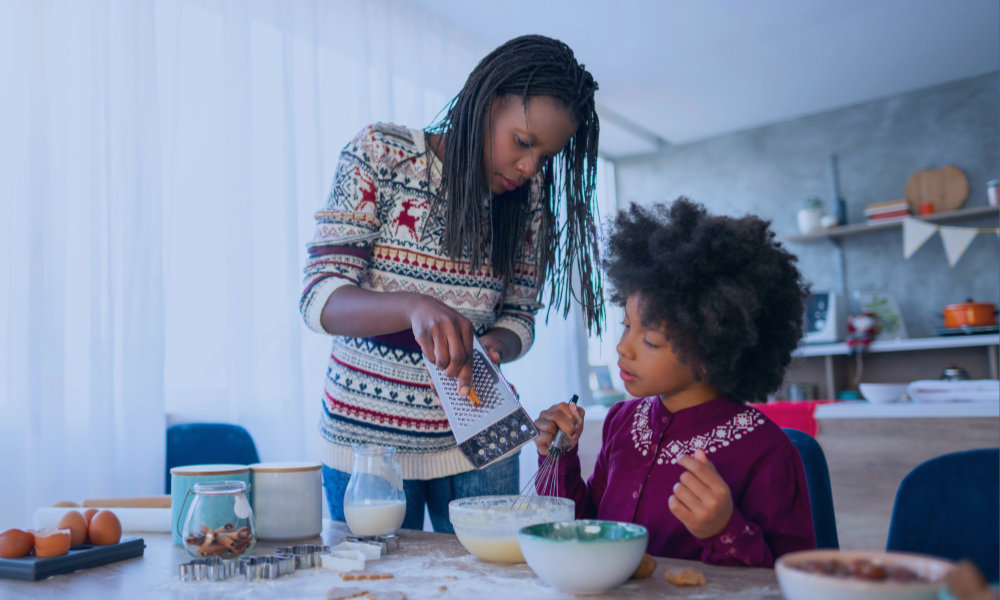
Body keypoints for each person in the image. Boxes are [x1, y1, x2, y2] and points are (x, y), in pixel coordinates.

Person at [300, 35, 603, 533]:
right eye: (524, 143)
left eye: (545, 157)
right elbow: (320, 298)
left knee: (489, 585)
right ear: (484, 104)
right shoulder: (380, 153)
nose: (530, 169)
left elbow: (519, 318)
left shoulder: (528, 201)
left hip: (485, 438)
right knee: (378, 586)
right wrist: (413, 307)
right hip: (370, 446)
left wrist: (493, 346)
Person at [534, 199, 817, 567]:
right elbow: (588, 529)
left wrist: (724, 530)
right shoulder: (622, 422)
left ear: (710, 351)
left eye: (650, 340)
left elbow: (792, 583)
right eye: (626, 326)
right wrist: (557, 457)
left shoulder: (767, 454)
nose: (622, 347)